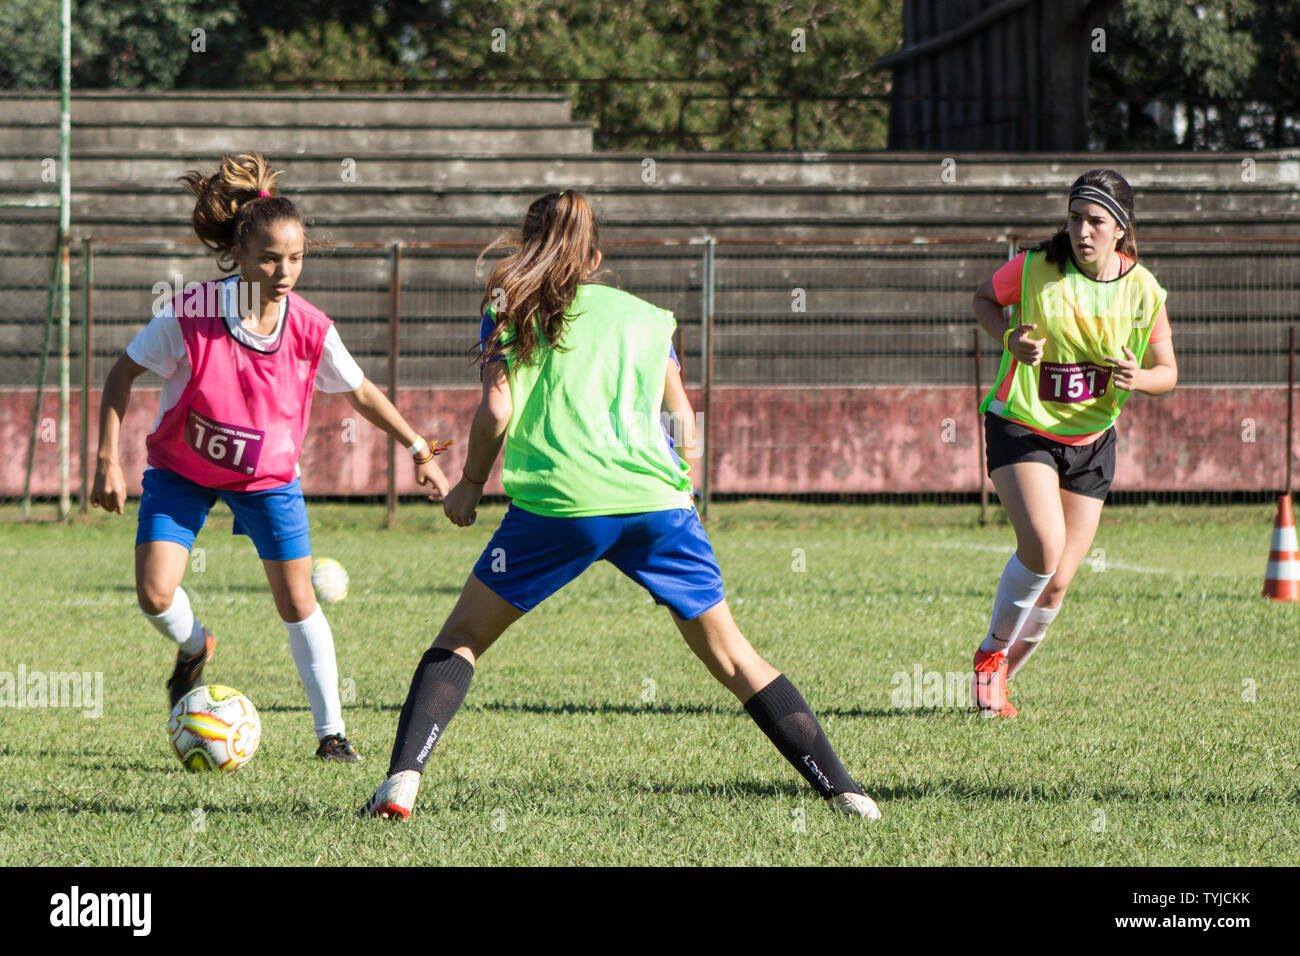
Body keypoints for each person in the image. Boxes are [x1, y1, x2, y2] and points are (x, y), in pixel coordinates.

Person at [360, 190, 881, 819]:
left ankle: (402, 783)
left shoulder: (510, 306)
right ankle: (844, 790)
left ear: (528, 248)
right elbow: (682, 416)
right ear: (596, 256)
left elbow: (497, 408)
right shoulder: (647, 316)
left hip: (560, 506)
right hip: (658, 503)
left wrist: (470, 482)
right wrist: (682, 482)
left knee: (463, 637)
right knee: (735, 656)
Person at [91, 152, 450, 761]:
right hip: (181, 470)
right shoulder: (191, 312)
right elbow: (121, 374)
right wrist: (107, 459)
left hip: (267, 480)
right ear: (239, 253)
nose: (285, 271)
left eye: (296, 258)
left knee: (297, 601)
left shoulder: (310, 327)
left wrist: (418, 447)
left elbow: (361, 391)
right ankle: (195, 645)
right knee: (154, 594)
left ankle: (331, 735)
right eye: (270, 258)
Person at [971, 168, 1178, 717]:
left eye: (1095, 221)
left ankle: (998, 685)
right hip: (1022, 424)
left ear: (1121, 230)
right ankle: (990, 656)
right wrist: (1009, 337)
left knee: (1058, 584)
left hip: (1092, 441)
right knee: (1043, 544)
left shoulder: (1143, 290)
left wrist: (1141, 378)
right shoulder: (1037, 267)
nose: (1082, 231)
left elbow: (1168, 372)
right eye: (1075, 218)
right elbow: (983, 301)